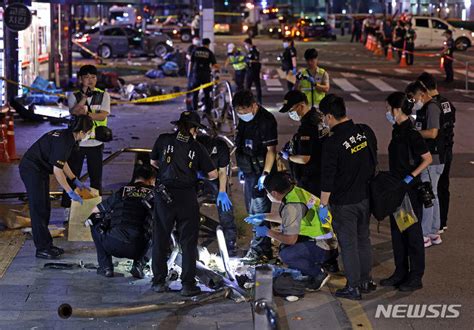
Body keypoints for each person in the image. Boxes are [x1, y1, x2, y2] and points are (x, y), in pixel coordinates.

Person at [150, 111, 218, 296]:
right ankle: (187, 285)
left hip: (164, 195)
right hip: (187, 196)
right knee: (188, 241)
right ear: (194, 128)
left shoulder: (163, 139)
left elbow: (153, 161)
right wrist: (195, 173)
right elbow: (213, 174)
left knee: (161, 238)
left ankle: (158, 282)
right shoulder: (197, 147)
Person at [318, 94, 378, 300]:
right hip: (364, 197)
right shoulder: (363, 131)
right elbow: (373, 160)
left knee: (349, 245)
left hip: (344, 203)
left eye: (323, 117)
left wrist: (322, 205)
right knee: (364, 240)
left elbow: (328, 178)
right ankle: (366, 280)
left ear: (329, 116)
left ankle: (353, 287)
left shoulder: (332, 142)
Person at [245, 172, 338, 290]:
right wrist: (263, 216)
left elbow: (290, 239)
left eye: (268, 193)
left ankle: (318, 274)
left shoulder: (292, 206)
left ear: (274, 193)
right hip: (328, 240)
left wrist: (267, 232)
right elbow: (289, 218)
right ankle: (325, 262)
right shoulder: (295, 192)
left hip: (324, 246)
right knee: (285, 245)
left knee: (286, 254)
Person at [19, 116, 93, 259]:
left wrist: (74, 179)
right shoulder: (64, 141)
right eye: (89, 132)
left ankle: (47, 245)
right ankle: (42, 248)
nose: (89, 135)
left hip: (39, 170)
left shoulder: (68, 137)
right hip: (32, 169)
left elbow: (62, 162)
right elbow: (57, 170)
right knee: (38, 208)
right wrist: (69, 191)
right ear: (82, 132)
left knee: (45, 207)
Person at [381, 92, 432, 292]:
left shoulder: (411, 132)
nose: (387, 112)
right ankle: (400, 272)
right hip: (398, 189)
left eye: (388, 108)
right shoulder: (398, 130)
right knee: (398, 232)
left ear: (397, 109)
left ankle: (415, 276)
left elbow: (427, 158)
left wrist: (411, 176)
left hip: (409, 191)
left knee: (412, 234)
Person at [86, 164, 156, 278]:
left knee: (95, 221)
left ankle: (106, 267)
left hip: (113, 244)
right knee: (162, 229)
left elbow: (95, 210)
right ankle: (139, 264)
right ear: (151, 180)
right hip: (139, 248)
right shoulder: (154, 194)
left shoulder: (122, 191)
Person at [233, 90, 278, 263]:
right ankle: (262, 246)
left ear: (254, 105)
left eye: (245, 111)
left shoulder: (266, 121)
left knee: (258, 213)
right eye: (239, 112)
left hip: (260, 172)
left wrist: (265, 174)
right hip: (249, 170)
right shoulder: (245, 119)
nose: (242, 115)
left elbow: (271, 150)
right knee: (252, 210)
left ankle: (260, 250)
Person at [62, 65, 111, 221]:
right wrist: (84, 97)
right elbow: (74, 111)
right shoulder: (74, 95)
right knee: (71, 177)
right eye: (87, 77)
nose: (90, 81)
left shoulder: (103, 95)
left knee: (96, 178)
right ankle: (67, 209)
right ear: (81, 79)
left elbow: (102, 116)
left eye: (93, 77)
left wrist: (87, 113)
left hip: (96, 143)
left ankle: (97, 211)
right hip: (77, 144)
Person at [406, 81, 445, 247]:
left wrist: (413, 134)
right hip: (432, 158)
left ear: (421, 94)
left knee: (427, 194)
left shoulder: (432, 108)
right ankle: (434, 232)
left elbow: (433, 132)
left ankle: (426, 233)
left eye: (413, 97)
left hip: (433, 159)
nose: (413, 101)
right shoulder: (425, 108)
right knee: (432, 194)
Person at [417, 72, 456, 233]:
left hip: (435, 152)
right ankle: (441, 222)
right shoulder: (447, 103)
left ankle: (431, 226)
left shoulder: (431, 106)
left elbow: (432, 132)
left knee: (431, 190)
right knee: (442, 187)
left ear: (424, 88)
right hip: (447, 150)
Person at [196, 133, 238, 255]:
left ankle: (230, 244)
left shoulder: (220, 148)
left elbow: (222, 172)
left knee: (225, 208)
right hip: (194, 175)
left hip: (216, 178)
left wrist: (222, 192)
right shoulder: (191, 147)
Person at [278, 90, 324, 196]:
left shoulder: (306, 127)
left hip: (311, 180)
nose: (290, 113)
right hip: (320, 173)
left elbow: (304, 159)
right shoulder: (317, 117)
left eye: (291, 109)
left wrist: (288, 156)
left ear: (302, 105)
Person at [189, 38, 218, 114]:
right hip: (205, 75)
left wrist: (190, 74)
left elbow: (191, 63)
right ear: (208, 44)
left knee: (195, 93)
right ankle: (207, 110)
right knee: (207, 93)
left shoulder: (195, 50)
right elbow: (214, 65)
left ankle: (194, 110)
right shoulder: (209, 52)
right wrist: (216, 73)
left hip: (196, 74)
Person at [244, 38, 262, 104]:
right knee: (249, 86)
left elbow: (256, 60)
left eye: (245, 45)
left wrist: (249, 61)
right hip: (250, 70)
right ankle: (249, 100)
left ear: (249, 44)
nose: (245, 46)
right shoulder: (250, 51)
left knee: (254, 86)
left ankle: (258, 100)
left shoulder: (254, 50)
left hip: (254, 71)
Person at [185, 37, 201, 111]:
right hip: (191, 71)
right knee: (190, 88)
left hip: (197, 72)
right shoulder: (191, 48)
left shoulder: (200, 49)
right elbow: (188, 56)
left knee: (195, 91)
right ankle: (189, 107)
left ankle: (194, 106)